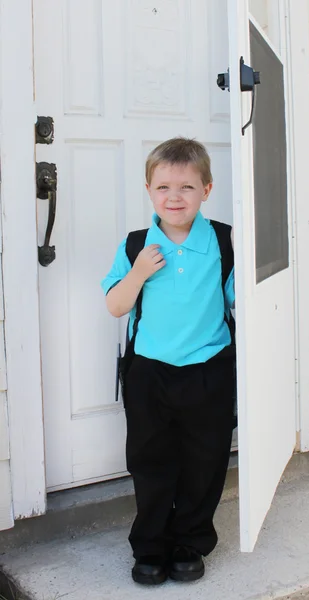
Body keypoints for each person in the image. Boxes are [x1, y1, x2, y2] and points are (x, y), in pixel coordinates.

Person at [101, 137, 235, 586]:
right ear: (148, 189)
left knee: (205, 459)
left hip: (209, 369)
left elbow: (247, 303)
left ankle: (190, 542)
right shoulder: (137, 244)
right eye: (163, 188)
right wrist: (138, 271)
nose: (174, 197)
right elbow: (116, 306)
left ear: (207, 190)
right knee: (151, 461)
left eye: (187, 187)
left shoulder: (222, 240)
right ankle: (151, 546)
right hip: (150, 373)